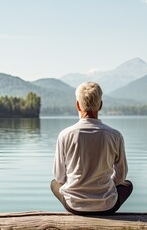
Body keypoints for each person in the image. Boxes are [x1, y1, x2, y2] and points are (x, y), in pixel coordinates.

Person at [51, 81, 133, 215]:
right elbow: (121, 176)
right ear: (100, 105)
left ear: (77, 105)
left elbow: (59, 177)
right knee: (128, 185)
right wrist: (105, 186)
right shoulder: (115, 136)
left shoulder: (65, 135)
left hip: (74, 206)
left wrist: (75, 184)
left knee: (53, 183)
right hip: (107, 206)